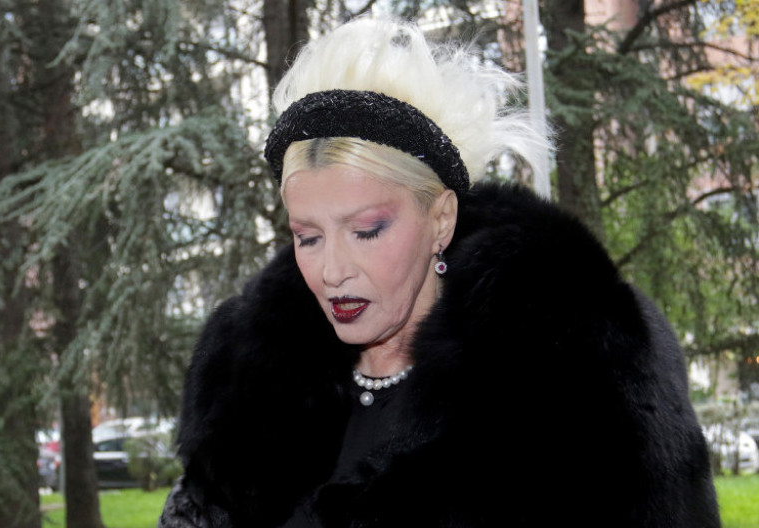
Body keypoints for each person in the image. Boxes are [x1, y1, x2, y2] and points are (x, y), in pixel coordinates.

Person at [158, 16, 721, 528]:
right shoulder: (247, 401)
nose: (331, 271)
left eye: (367, 230)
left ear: (441, 219)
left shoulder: (584, 383)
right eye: (308, 237)